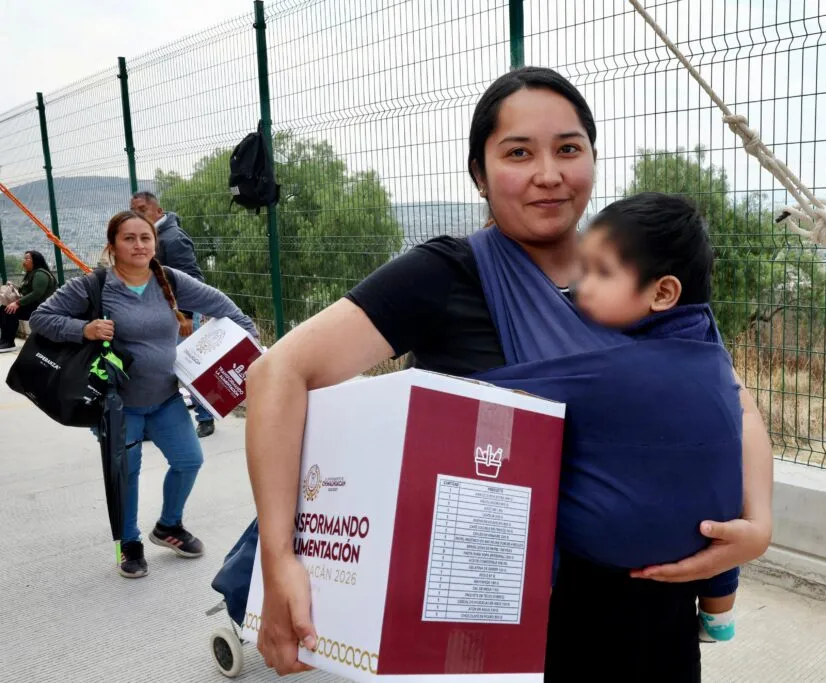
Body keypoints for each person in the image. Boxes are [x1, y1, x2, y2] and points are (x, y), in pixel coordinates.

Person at [244, 67, 773, 680]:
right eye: (518, 153)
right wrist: (279, 559)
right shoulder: (447, 276)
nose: (548, 174)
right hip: (495, 634)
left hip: (654, 627)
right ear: (480, 173)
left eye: (568, 149)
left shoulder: (638, 274)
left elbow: (733, 402)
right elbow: (278, 373)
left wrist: (758, 525)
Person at [31, 211, 259, 579]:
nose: (139, 245)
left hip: (166, 398)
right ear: (112, 246)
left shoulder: (170, 279)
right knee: (127, 474)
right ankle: (129, 542)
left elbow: (223, 307)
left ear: (155, 243)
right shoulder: (94, 285)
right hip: (118, 406)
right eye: (129, 238)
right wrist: (84, 329)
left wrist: (251, 344)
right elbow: (41, 317)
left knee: (189, 460)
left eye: (145, 238)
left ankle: (169, 526)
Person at [573, 191, 742, 642]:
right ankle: (719, 616)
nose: (581, 287)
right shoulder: (704, 332)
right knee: (719, 517)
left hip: (657, 526)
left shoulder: (635, 356)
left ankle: (719, 610)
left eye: (601, 273)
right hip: (715, 505)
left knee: (710, 521)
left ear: (663, 292)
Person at [130, 190, 217, 438]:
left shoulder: (173, 238)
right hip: (157, 314)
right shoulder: (148, 239)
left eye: (142, 210)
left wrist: (187, 315)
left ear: (158, 211)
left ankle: (205, 417)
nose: (137, 215)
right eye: (133, 210)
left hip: (178, 316)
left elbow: (193, 278)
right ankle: (157, 423)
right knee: (159, 369)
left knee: (188, 366)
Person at [0, 250, 57, 352]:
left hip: (41, 308)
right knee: (4, 309)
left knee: (8, 310)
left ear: (35, 260)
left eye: (27, 259)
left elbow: (37, 293)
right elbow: (27, 291)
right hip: (33, 306)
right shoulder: (32, 273)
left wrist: (17, 303)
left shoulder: (40, 274)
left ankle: (8, 342)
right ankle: (4, 340)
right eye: (24, 258)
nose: (24, 261)